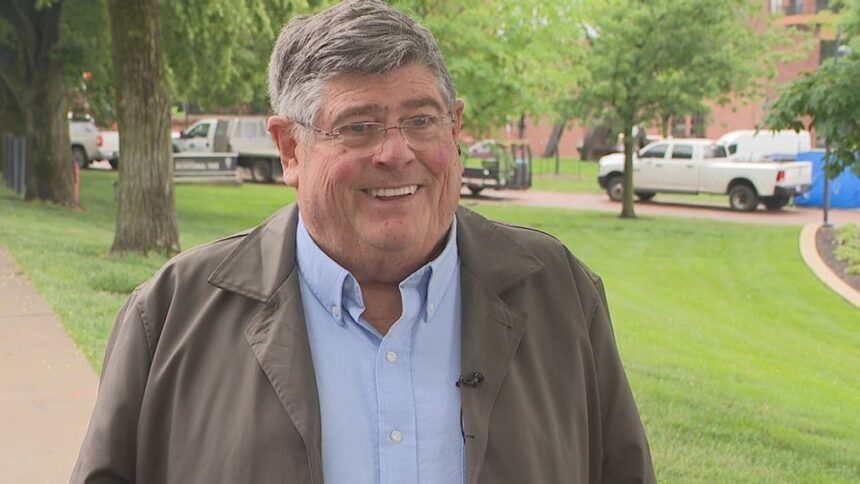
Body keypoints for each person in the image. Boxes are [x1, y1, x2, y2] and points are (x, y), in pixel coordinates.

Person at [71, 1, 655, 483]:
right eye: (359, 126)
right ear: (290, 149)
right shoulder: (172, 314)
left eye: (422, 120)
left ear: (455, 128)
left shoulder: (559, 294)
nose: (396, 152)